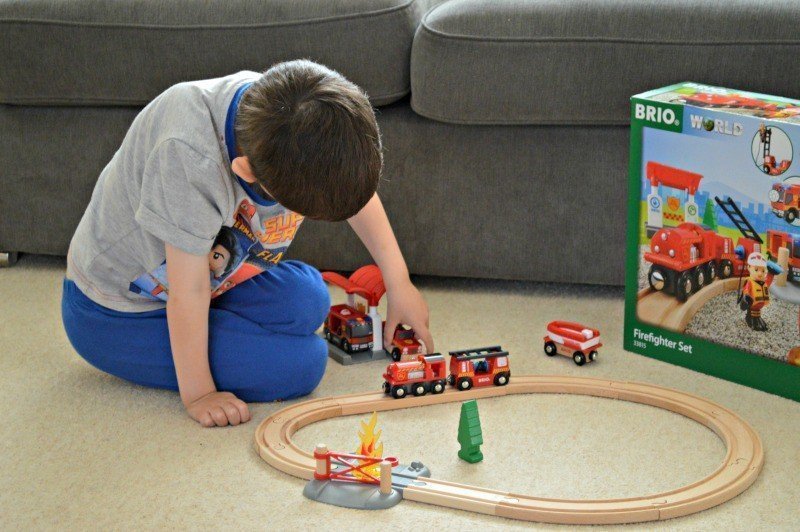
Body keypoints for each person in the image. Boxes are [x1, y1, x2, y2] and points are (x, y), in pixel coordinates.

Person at [62, 60, 434, 427]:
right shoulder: (190, 157)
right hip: (114, 311)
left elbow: (356, 193)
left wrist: (399, 282)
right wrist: (199, 394)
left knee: (311, 300)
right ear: (246, 172)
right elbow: (187, 292)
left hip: (208, 279)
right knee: (301, 364)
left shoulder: (291, 109)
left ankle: (229, 329)